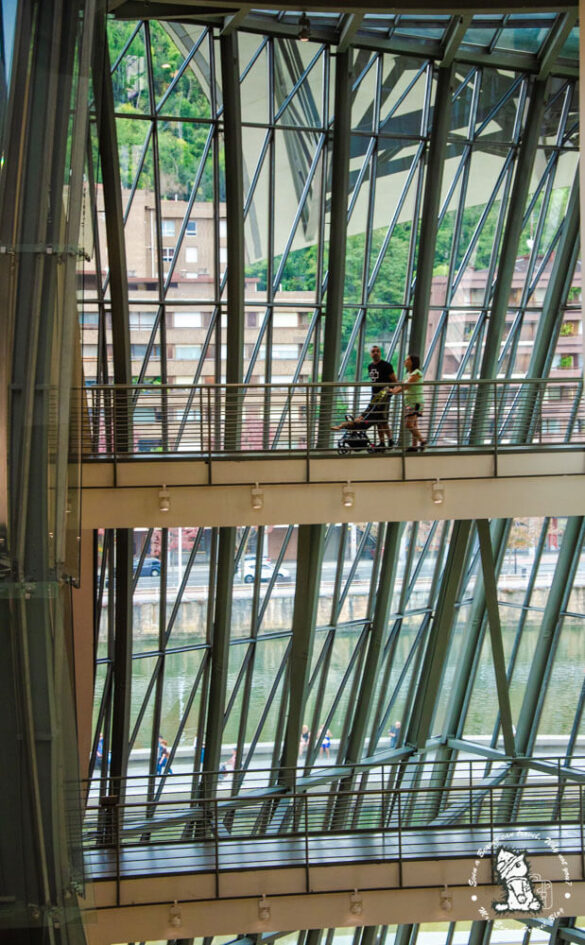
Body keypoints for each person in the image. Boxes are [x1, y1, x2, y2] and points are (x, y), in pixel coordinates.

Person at [331, 345, 397, 450]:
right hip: (374, 396)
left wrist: (390, 390)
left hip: (384, 396)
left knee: (383, 419)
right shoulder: (370, 366)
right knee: (378, 420)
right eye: (373, 351)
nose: (375, 353)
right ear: (370, 354)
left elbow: (394, 380)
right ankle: (382, 442)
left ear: (380, 353)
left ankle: (390, 440)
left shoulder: (386, 366)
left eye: (377, 351)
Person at [392, 353, 426, 452]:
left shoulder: (417, 373)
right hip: (410, 403)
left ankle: (422, 441)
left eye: (407, 360)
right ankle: (414, 446)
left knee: (409, 425)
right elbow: (403, 384)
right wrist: (394, 390)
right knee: (414, 424)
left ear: (412, 362)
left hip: (415, 402)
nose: (405, 361)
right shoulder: (408, 374)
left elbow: (407, 385)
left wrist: (395, 391)